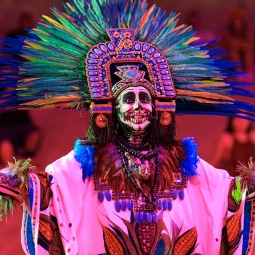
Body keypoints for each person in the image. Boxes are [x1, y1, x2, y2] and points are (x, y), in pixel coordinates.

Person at [0, 0, 255, 254]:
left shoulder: (180, 159)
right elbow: (55, 186)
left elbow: (221, 190)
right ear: (110, 110)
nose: (138, 107)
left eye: (144, 98)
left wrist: (246, 188)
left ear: (158, 109)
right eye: (128, 99)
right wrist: (24, 183)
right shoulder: (90, 161)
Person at [0, 12, 42, 167]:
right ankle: (12, 176)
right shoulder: (6, 69)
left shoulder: (22, 76)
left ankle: (24, 167)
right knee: (6, 150)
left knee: (35, 135)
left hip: (22, 124)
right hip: (4, 127)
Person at [223, 8, 255, 81]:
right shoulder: (228, 35)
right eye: (235, 22)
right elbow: (230, 46)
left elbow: (251, 46)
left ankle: (249, 72)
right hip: (233, 63)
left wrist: (243, 47)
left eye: (239, 21)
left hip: (247, 62)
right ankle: (239, 73)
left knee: (248, 51)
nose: (237, 25)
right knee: (234, 51)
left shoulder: (248, 35)